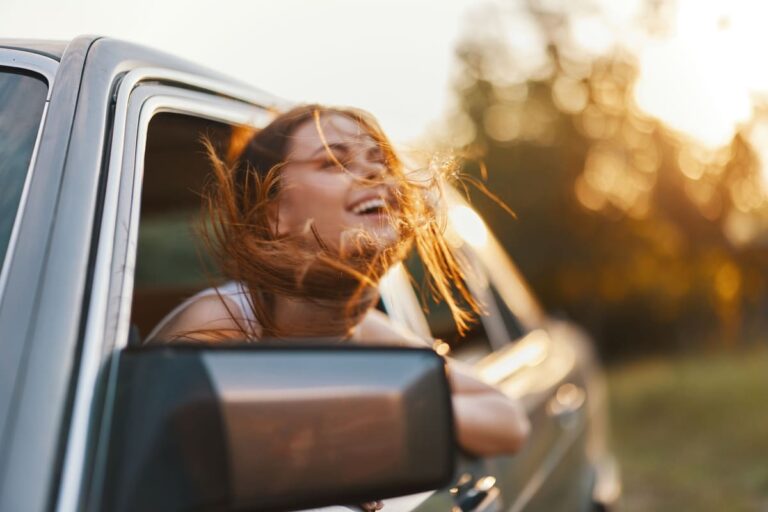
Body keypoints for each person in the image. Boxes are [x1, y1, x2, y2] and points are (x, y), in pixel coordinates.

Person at [147, 104, 530, 462]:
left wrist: (393, 414)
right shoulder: (221, 322)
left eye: (380, 161)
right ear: (275, 213)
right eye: (333, 161)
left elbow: (509, 420)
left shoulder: (363, 330)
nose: (374, 172)